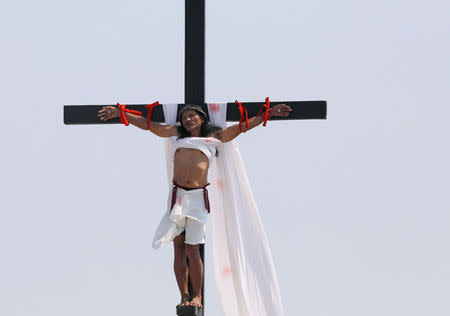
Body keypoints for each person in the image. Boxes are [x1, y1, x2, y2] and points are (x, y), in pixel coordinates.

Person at [97, 103, 291, 308]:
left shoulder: (215, 136)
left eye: (192, 116)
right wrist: (122, 114)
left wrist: (267, 114)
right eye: (184, 117)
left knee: (193, 250)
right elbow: (150, 126)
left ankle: (197, 296)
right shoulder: (176, 133)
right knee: (178, 247)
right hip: (178, 197)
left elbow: (240, 128)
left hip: (197, 198)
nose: (187, 119)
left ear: (202, 118)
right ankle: (184, 295)